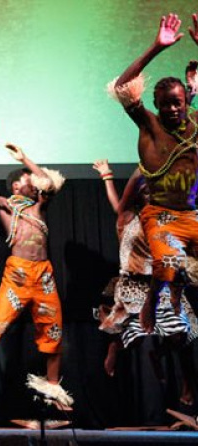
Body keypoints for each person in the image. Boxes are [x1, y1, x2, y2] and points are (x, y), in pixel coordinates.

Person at [0, 143, 70, 410]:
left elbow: (48, 183)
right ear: (14, 188)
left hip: (43, 275)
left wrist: (25, 157)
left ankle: (54, 387)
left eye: (32, 183)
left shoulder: (40, 206)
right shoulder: (6, 206)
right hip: (18, 275)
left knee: (53, 329)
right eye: (26, 182)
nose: (32, 185)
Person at [111, 12, 198, 332]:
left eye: (177, 103)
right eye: (165, 104)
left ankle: (179, 296)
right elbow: (122, 86)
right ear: (156, 105)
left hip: (192, 214)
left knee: (181, 269)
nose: (172, 109)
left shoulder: (196, 123)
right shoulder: (150, 125)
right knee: (168, 262)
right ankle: (151, 303)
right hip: (159, 214)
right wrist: (156, 47)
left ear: (186, 99)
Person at [93, 161, 197, 404]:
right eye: (146, 191)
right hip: (134, 287)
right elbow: (121, 198)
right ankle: (116, 347)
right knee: (133, 332)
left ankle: (184, 382)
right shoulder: (127, 218)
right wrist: (148, 161)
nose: (150, 194)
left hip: (160, 286)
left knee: (184, 334)